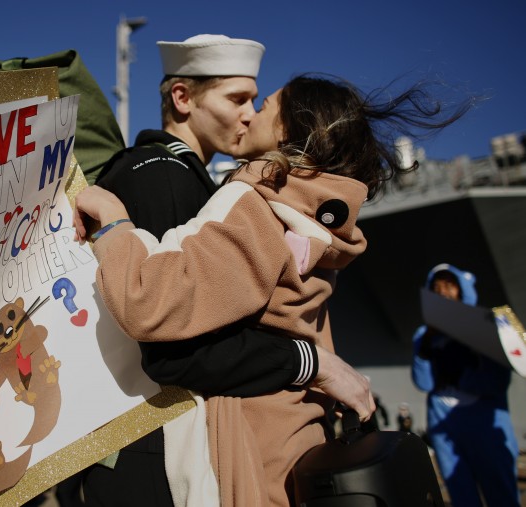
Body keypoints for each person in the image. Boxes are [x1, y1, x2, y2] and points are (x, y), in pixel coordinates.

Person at [74, 74, 470, 505]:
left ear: (287, 131)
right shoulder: (316, 213)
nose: (250, 114)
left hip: (244, 449)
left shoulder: (261, 196)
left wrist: (114, 222)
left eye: (263, 105)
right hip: (293, 439)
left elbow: (148, 304)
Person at [58, 35, 374, 507]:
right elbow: (177, 348)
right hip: (152, 453)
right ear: (182, 99)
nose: (249, 113)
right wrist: (312, 363)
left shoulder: (227, 188)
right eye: (237, 99)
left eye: (256, 101)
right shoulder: (163, 173)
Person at [412, 263, 520, 507]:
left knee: (501, 493)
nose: (443, 292)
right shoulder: (424, 334)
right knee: (462, 497)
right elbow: (424, 382)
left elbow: (497, 382)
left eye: (450, 285)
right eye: (436, 287)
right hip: (444, 427)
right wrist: (423, 349)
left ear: (463, 288)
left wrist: (460, 375)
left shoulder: (488, 326)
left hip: (483, 425)